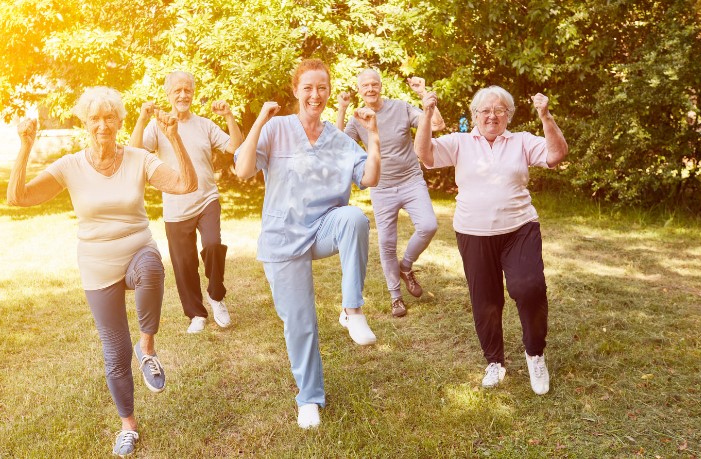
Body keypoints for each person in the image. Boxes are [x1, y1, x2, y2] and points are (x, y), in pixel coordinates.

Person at [7, 87, 198, 456]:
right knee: (114, 353)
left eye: (109, 117)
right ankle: (128, 425)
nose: (102, 125)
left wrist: (173, 137)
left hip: (136, 247)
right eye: (94, 118)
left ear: (120, 122)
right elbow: (19, 197)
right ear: (84, 123)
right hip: (97, 263)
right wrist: (25, 146)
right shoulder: (70, 166)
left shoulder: (139, 159)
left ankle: (148, 349)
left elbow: (186, 184)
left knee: (153, 267)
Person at [234, 59, 381, 429]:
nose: (315, 95)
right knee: (301, 323)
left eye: (322, 88)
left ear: (329, 92)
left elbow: (370, 177)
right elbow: (242, 169)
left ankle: (352, 310)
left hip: (322, 228)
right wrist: (259, 122)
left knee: (355, 218)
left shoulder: (338, 139)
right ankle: (309, 398)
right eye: (308, 88)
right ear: (296, 91)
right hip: (284, 236)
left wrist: (374, 137)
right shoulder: (277, 129)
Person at [414, 85, 568, 395]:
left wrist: (546, 116)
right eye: (485, 110)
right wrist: (428, 113)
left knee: (529, 287)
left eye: (499, 110)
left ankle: (535, 354)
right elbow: (425, 154)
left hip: (519, 229)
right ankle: (494, 361)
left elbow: (557, 154)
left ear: (509, 115)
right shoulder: (460, 142)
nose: (492, 116)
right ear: (474, 115)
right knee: (485, 301)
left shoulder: (521, 141)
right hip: (473, 232)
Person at [130, 71, 243, 334]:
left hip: (206, 199)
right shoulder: (158, 126)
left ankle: (216, 295)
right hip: (175, 206)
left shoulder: (204, 125)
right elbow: (135, 153)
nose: (183, 95)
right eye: (177, 91)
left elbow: (236, 147)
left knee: (213, 244)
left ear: (192, 93)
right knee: (184, 263)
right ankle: (196, 314)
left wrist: (229, 117)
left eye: (187, 90)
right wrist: (142, 118)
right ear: (168, 95)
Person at [336, 70, 446, 317]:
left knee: (428, 225)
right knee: (386, 243)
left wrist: (424, 94)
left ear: (381, 86)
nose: (371, 89)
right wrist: (342, 109)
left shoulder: (401, 108)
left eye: (375, 84)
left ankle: (405, 266)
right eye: (365, 85)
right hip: (381, 188)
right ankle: (396, 297)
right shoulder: (357, 118)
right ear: (360, 90)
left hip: (411, 181)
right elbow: (338, 146)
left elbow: (437, 125)